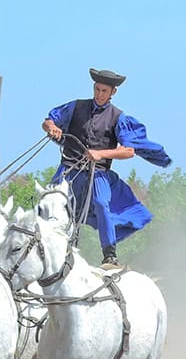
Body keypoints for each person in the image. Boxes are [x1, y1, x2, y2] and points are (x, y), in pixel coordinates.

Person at [41, 68, 171, 269]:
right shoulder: (76, 107)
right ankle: (41, 245)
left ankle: (109, 256)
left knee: (102, 203)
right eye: (97, 89)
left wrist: (101, 154)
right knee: (49, 201)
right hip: (69, 169)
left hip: (97, 172)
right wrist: (51, 127)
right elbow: (49, 120)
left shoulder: (118, 117)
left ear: (113, 93)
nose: (99, 94)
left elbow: (128, 151)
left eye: (104, 91)